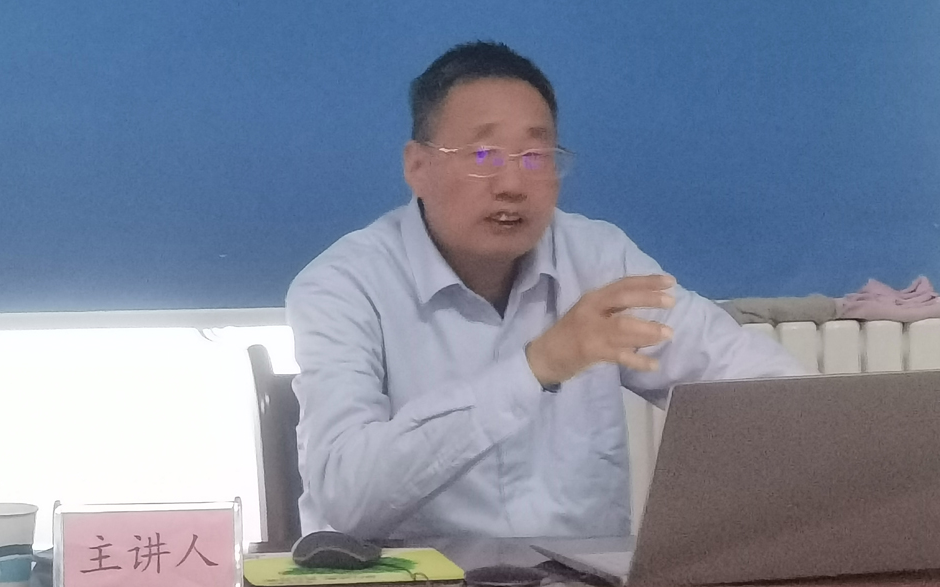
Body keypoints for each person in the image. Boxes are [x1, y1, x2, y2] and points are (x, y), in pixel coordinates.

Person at [286, 41, 805, 540]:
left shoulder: (599, 260)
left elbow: (750, 380)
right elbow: (345, 498)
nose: (513, 184)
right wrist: (534, 368)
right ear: (417, 167)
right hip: (422, 578)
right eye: (484, 154)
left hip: (577, 579)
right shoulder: (343, 286)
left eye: (536, 156)